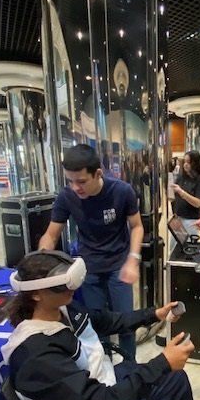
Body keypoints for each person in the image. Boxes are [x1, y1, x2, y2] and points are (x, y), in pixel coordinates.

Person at [1, 251, 200, 400]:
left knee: (176, 380)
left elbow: (106, 320)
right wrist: (162, 363)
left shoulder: (63, 308)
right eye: (62, 285)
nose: (72, 288)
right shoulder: (35, 354)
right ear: (36, 294)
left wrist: (154, 314)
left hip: (104, 384)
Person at [39, 144, 143, 359]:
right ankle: (104, 367)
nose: (75, 187)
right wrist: (40, 260)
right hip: (89, 269)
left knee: (125, 323)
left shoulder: (122, 191)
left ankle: (130, 367)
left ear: (98, 174)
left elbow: (137, 226)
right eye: (70, 181)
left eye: (81, 181)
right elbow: (51, 235)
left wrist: (133, 259)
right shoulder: (66, 197)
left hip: (119, 266)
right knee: (97, 325)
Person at [171, 151, 200, 235]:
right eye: (184, 162)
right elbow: (173, 199)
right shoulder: (181, 177)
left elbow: (197, 203)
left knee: (189, 242)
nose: (186, 165)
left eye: (189, 162)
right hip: (178, 218)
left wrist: (182, 192)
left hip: (191, 220)